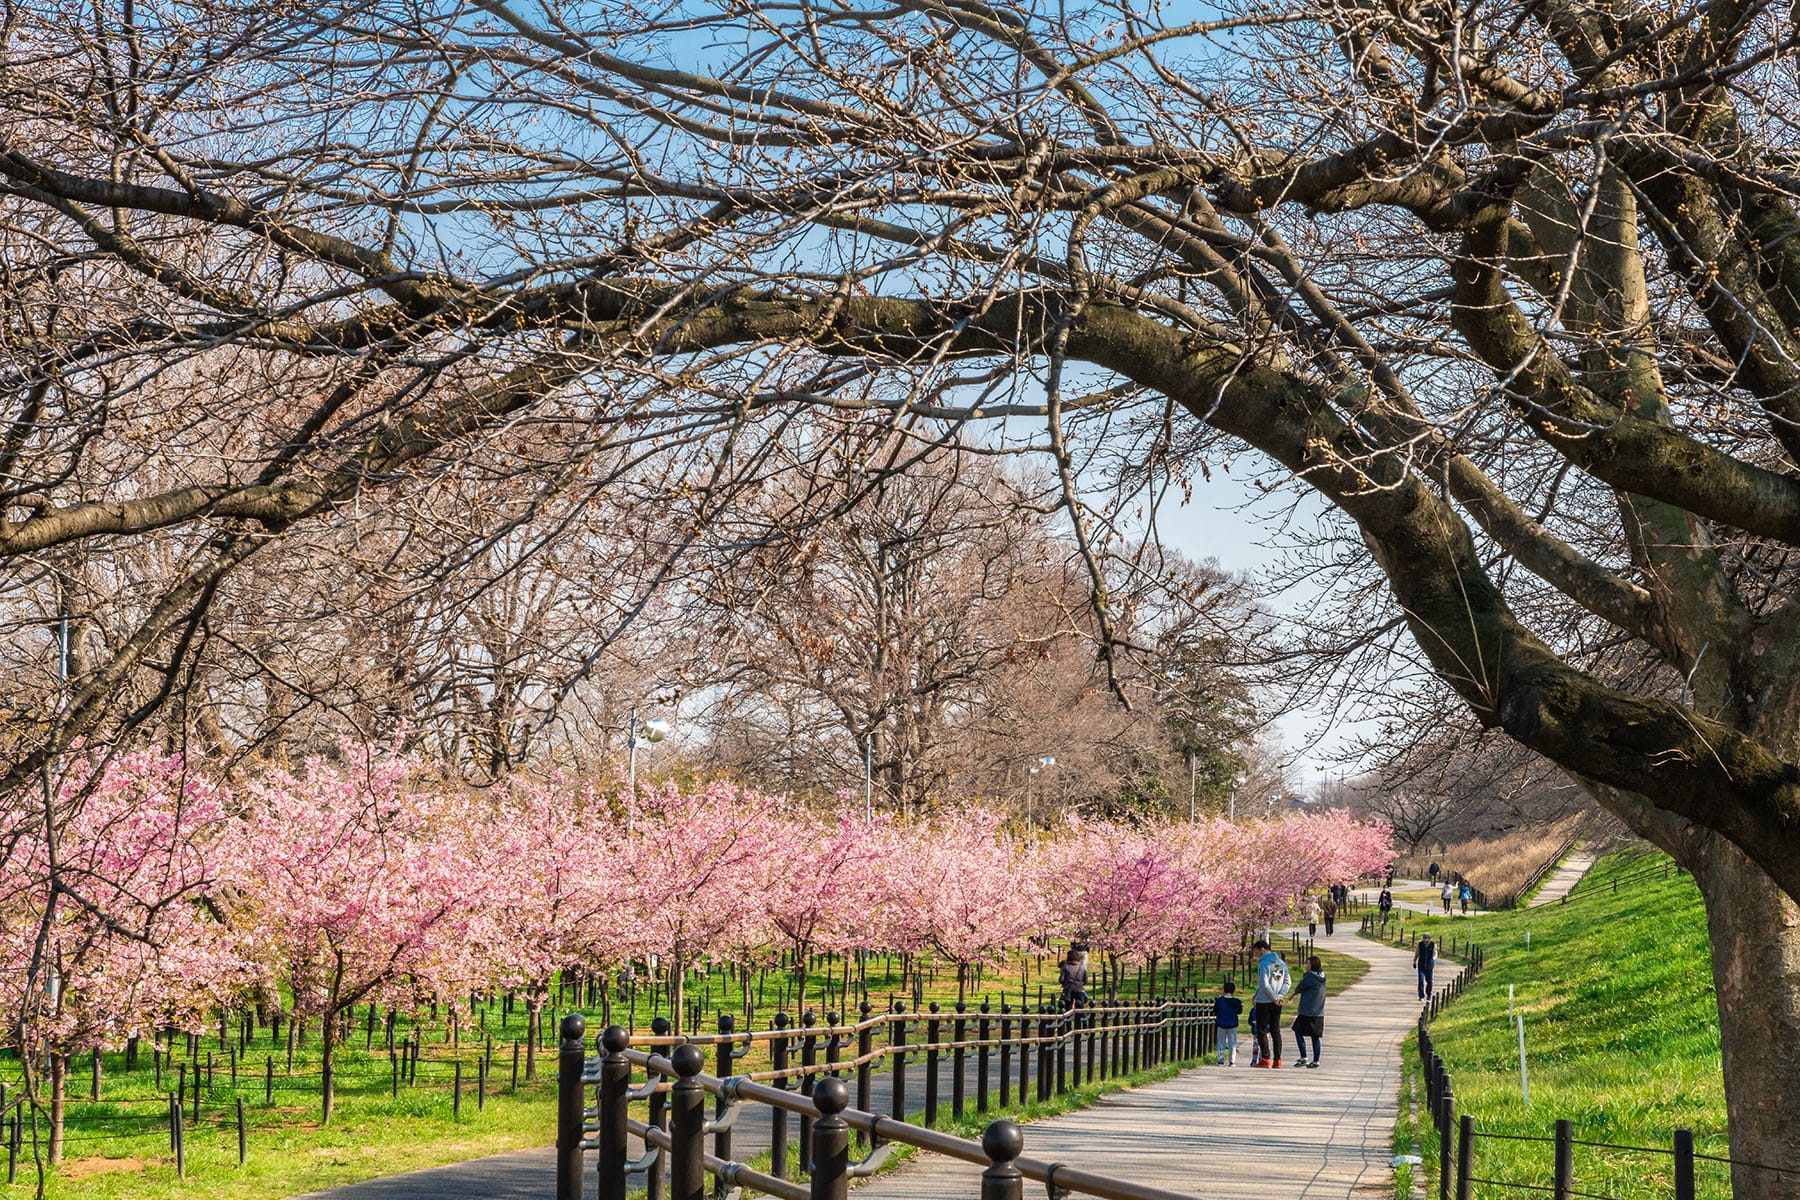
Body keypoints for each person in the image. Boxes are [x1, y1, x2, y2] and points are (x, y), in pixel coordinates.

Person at [1250, 937, 1292, 1067]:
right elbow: (1287, 982)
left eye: (1257, 952)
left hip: (1264, 1001)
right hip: (1277, 1002)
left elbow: (1264, 984)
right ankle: (1277, 1060)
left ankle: (1266, 1058)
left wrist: (1271, 997)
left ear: (1262, 950)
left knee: (1261, 1029)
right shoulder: (1280, 964)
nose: (1256, 955)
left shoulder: (1264, 965)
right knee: (1275, 1030)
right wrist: (1279, 996)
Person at [1290, 956, 1326, 1068]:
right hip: (1319, 1011)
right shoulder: (1322, 976)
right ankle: (1316, 1061)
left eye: (1308, 964)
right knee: (1315, 1037)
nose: (1306, 966)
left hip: (1307, 1011)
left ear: (1312, 965)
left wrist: (1292, 995)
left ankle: (1303, 1057)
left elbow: (1300, 987)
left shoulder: (1310, 976)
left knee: (1298, 1031)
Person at [1213, 979, 1243, 1065]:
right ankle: (1232, 1061)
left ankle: (1220, 1060)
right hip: (1233, 1024)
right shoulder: (1237, 1001)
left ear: (1224, 990)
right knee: (1232, 1043)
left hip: (1221, 1023)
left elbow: (1215, 1010)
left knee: (1221, 1042)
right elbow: (1240, 1011)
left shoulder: (1219, 1001)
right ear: (1233, 991)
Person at [1058, 946, 1089, 1010]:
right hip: (1079, 989)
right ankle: (1080, 1019)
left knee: (1068, 1008)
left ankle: (1068, 1019)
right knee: (1080, 1008)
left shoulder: (1065, 967)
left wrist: (1065, 983)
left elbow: (1061, 980)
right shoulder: (1082, 968)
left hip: (1068, 989)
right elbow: (1085, 981)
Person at [1415, 932, 1437, 1000]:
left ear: (1430, 940)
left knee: (1429, 982)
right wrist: (1414, 961)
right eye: (1425, 940)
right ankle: (1421, 996)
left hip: (1429, 965)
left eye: (1427, 941)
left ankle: (1429, 994)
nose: (1426, 942)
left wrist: (1433, 959)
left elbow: (1435, 953)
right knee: (1421, 980)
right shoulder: (1420, 944)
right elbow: (1417, 953)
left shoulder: (1433, 945)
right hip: (1421, 965)